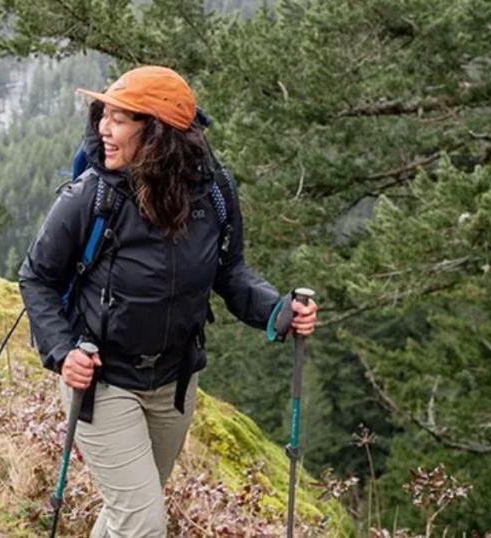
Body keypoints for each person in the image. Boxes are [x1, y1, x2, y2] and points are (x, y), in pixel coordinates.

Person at [18, 66, 318, 536]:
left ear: (155, 133)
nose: (102, 129)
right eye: (103, 116)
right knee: (143, 524)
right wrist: (62, 352)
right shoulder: (92, 197)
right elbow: (36, 277)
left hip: (174, 383)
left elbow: (230, 271)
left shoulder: (214, 193)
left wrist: (277, 311)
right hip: (103, 381)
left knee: (129, 514)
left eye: (118, 119)